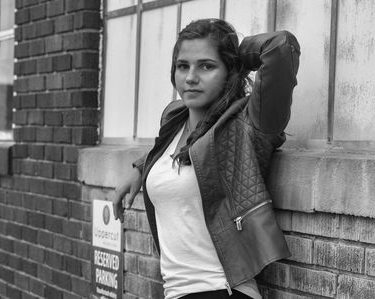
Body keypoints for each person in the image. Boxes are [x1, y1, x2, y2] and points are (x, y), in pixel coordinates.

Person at [113, 18, 300, 299]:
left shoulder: (250, 123)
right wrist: (141, 167)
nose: (190, 77)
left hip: (223, 290)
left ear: (229, 71)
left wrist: (234, 52)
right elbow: (192, 154)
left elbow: (280, 47)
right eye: (183, 66)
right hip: (176, 292)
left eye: (207, 66)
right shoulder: (173, 120)